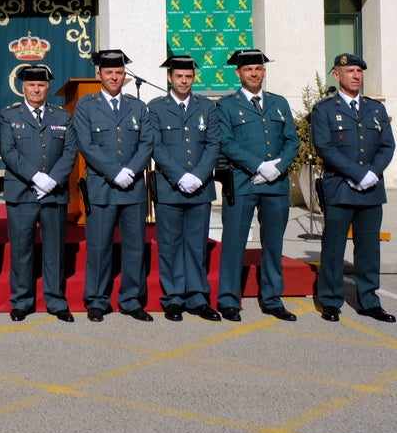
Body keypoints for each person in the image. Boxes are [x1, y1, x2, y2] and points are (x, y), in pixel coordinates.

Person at [216, 49, 299, 322]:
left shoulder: (279, 102)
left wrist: (276, 168)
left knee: (273, 244)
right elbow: (226, 142)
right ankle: (229, 299)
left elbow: (292, 141)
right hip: (243, 182)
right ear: (238, 73)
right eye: (248, 69)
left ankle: (272, 298)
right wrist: (258, 166)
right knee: (234, 243)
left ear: (264, 72)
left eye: (258, 69)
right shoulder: (226, 105)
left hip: (276, 184)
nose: (254, 73)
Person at [312, 53, 395, 323]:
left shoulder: (375, 109)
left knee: (369, 249)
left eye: (359, 71)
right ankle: (330, 300)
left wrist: (372, 173)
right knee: (334, 247)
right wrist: (357, 173)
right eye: (350, 71)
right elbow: (325, 147)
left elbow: (387, 145)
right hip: (340, 187)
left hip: (371, 188)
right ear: (337, 75)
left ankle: (369, 301)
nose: (356, 76)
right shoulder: (325, 109)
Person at [73, 49, 155, 322]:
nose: (114, 77)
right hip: (101, 188)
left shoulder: (137, 107)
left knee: (135, 247)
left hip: (133, 187)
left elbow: (147, 143)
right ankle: (97, 300)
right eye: (109, 72)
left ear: (124, 75)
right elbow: (86, 144)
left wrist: (130, 171)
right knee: (99, 247)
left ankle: (131, 300)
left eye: (119, 72)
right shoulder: (86, 106)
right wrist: (114, 172)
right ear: (99, 75)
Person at [0, 64, 78, 323]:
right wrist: (36, 177)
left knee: (55, 250)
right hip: (22, 192)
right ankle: (21, 301)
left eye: (41, 85)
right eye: (31, 85)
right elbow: (8, 152)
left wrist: (51, 181)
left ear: (48, 88)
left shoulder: (62, 116)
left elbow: (70, 151)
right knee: (21, 250)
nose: (36, 89)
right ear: (23, 87)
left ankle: (56, 301)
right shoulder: (9, 116)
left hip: (54, 192)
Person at [147, 55, 222, 322]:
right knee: (170, 245)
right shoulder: (156, 107)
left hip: (200, 187)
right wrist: (180, 177)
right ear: (170, 78)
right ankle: (174, 298)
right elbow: (155, 145)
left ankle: (198, 298)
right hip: (170, 187)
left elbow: (213, 143)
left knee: (197, 245)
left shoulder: (207, 106)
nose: (184, 81)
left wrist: (198, 176)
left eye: (188, 77)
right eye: (179, 76)